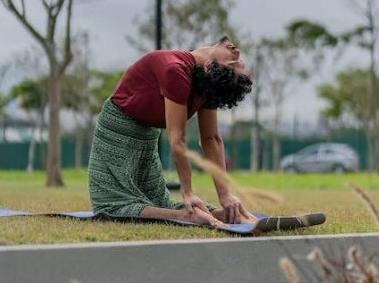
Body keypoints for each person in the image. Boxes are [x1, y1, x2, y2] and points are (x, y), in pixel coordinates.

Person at [88, 37, 325, 231]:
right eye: (235, 62)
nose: (237, 53)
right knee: (111, 205)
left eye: (233, 65)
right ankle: (189, 216)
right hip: (117, 129)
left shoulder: (205, 82)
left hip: (146, 135)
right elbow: (177, 138)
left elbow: (210, 139)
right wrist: (188, 192)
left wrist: (225, 195)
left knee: (153, 201)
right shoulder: (175, 70)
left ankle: (225, 214)